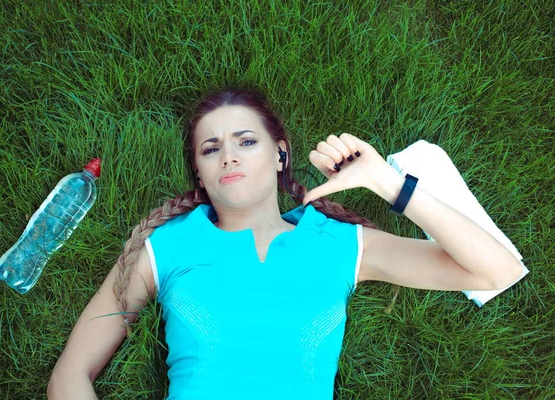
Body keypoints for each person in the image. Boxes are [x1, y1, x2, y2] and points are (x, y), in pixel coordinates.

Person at [47, 87, 522, 399]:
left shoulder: (340, 245)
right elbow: (71, 373)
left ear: (280, 154)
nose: (228, 155)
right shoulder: (166, 247)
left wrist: (386, 181)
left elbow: (495, 271)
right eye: (210, 149)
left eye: (246, 141)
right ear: (200, 171)